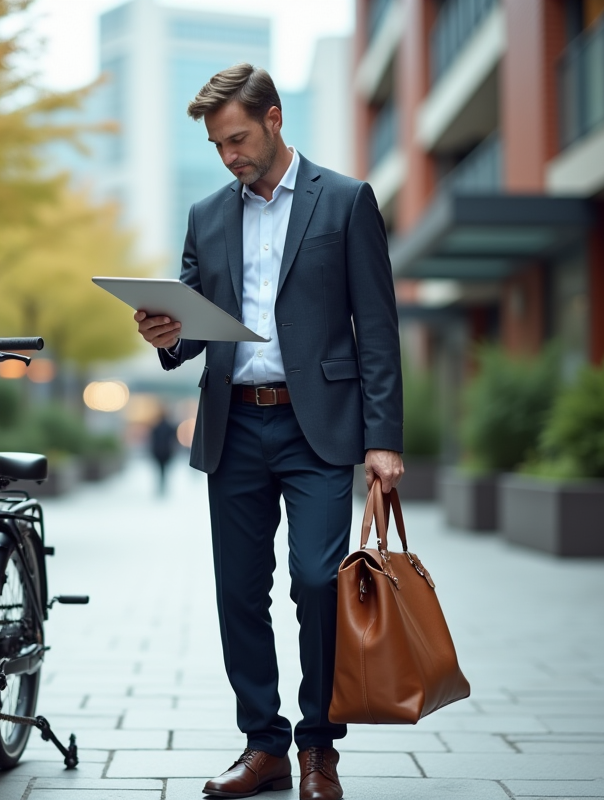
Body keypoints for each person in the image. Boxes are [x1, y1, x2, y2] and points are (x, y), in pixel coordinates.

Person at [133, 64, 403, 800]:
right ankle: (265, 746)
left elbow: (376, 329)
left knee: (318, 582)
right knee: (238, 593)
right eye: (220, 145)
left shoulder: (345, 202)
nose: (231, 157)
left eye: (240, 139)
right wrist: (165, 332)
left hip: (317, 428)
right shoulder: (207, 214)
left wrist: (385, 440)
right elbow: (190, 334)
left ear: (276, 119)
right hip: (234, 426)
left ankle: (320, 747)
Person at [149, 411, 177, 495]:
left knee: (160, 469)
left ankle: (161, 485)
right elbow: (174, 439)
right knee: (164, 470)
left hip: (158, 452)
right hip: (167, 452)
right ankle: (163, 485)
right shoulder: (169, 427)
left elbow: (152, 440)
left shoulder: (156, 427)